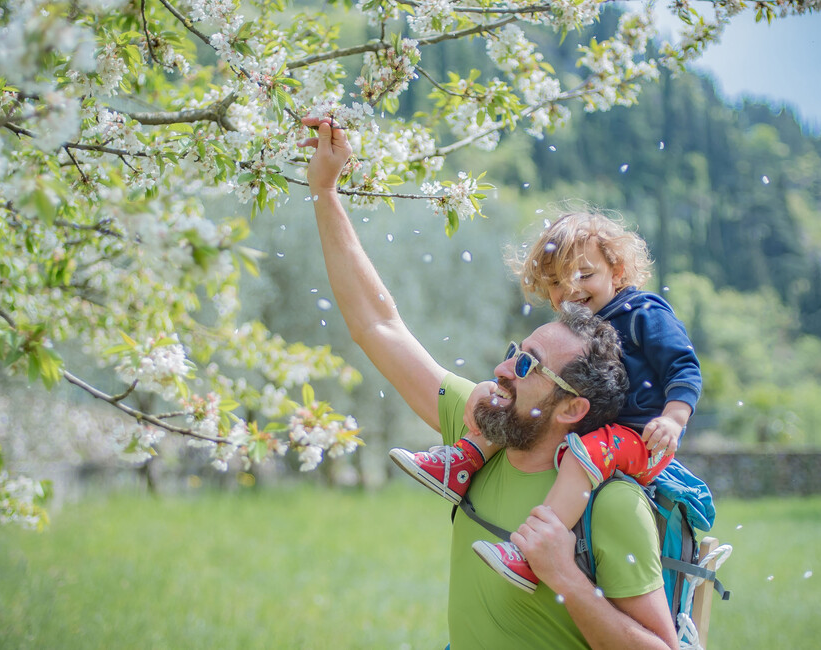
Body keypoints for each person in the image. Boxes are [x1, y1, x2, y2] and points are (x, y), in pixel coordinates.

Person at [301, 116, 680, 649]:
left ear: (571, 408)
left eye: (527, 367)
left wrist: (564, 575)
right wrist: (324, 190)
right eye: (513, 354)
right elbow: (378, 326)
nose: (502, 371)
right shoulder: (485, 435)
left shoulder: (610, 507)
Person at [391, 210, 703, 592]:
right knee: (515, 404)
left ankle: (529, 556)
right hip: (594, 422)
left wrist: (673, 418)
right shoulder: (577, 330)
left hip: (639, 437)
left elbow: (684, 366)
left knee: (580, 454)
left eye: (585, 275)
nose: (571, 289)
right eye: (557, 281)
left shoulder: (643, 314)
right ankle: (461, 463)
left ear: (617, 271)